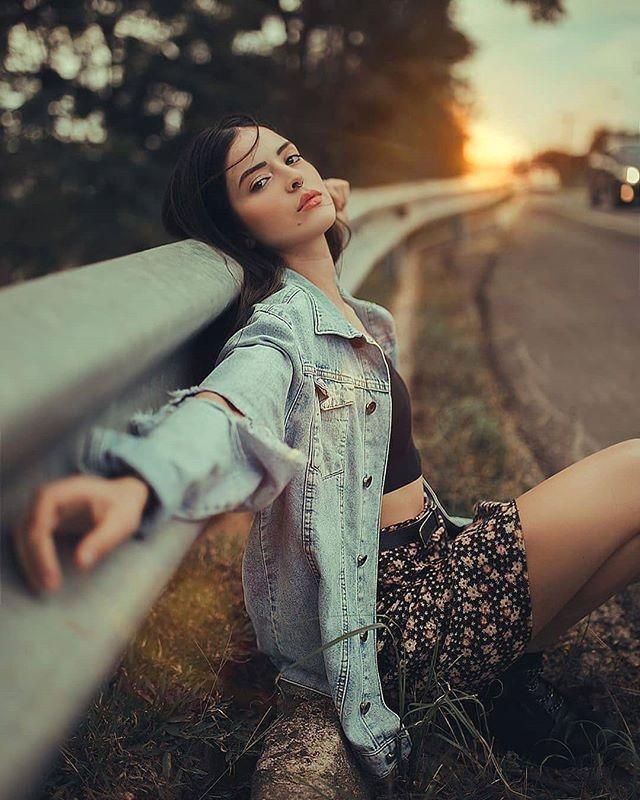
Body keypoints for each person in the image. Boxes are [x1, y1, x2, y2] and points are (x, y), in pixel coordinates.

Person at [13, 112, 635, 784]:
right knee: (634, 467)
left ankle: (502, 681)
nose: (290, 178)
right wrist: (138, 484)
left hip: (434, 558)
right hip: (401, 616)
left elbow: (324, 192)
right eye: (258, 182)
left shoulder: (337, 296)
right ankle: (491, 679)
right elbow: (228, 409)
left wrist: (314, 193)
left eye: (292, 156)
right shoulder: (280, 332)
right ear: (236, 228)